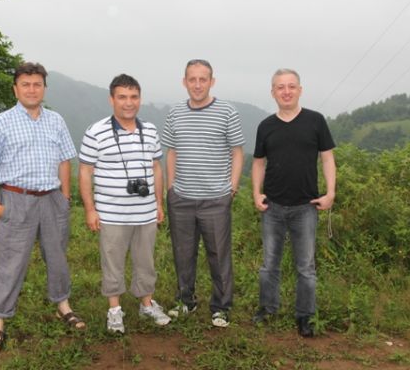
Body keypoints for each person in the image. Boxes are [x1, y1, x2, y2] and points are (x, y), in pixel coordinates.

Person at [0, 62, 85, 355]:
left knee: (57, 256)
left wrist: (65, 197)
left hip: (52, 199)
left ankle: (63, 306)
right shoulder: (0, 123)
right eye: (25, 84)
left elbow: (65, 159)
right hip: (16, 199)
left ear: (44, 89)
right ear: (16, 89)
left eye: (37, 84)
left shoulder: (56, 120)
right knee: (10, 262)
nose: (32, 89)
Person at [79, 74, 170, 333]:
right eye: (122, 97)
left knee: (145, 261)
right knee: (112, 262)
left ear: (140, 99)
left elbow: (156, 168)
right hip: (111, 213)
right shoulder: (96, 131)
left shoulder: (150, 130)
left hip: (145, 212)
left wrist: (159, 203)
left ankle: (147, 304)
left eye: (133, 97)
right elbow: (85, 171)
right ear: (112, 100)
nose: (128, 103)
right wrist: (90, 210)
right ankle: (114, 310)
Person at [251, 68, 336, 337]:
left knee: (306, 267)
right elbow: (258, 163)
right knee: (269, 265)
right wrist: (256, 193)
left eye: (291, 86)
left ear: (300, 90)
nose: (286, 91)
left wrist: (330, 192)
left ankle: (305, 316)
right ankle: (268, 309)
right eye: (280, 87)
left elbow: (327, 158)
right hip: (273, 206)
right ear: (273, 92)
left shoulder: (315, 121)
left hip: (306, 206)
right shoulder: (265, 126)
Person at [162, 59, 245, 327]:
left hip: (216, 199)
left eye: (203, 79)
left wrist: (231, 188)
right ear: (184, 82)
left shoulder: (227, 111)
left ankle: (221, 307)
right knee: (183, 254)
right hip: (181, 198)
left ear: (212, 82)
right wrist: (171, 189)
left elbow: (237, 152)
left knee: (219, 256)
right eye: (192, 79)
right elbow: (171, 151)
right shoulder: (175, 112)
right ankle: (186, 301)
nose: (197, 85)